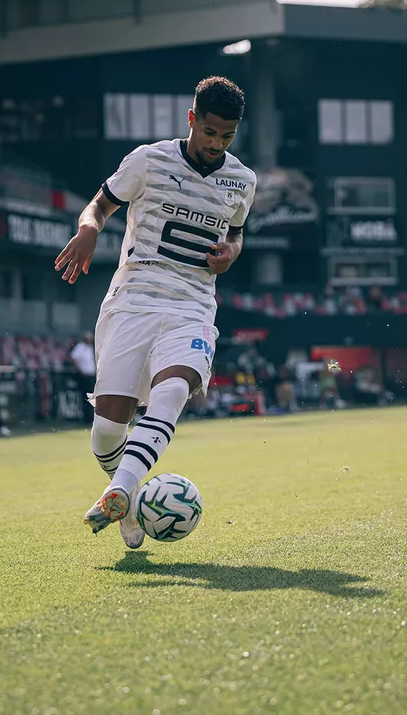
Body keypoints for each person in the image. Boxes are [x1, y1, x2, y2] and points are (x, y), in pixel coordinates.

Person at [55, 76, 256, 549]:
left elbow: (236, 232)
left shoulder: (242, 180)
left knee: (174, 388)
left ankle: (121, 489)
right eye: (209, 132)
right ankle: (130, 500)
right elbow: (99, 206)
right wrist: (89, 229)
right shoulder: (148, 160)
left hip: (192, 305)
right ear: (192, 119)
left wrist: (231, 253)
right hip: (133, 300)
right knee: (107, 431)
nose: (216, 144)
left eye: (227, 136)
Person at [70, 332, 96, 424]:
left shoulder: (90, 348)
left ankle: (91, 417)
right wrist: (80, 370)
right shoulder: (80, 347)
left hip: (92, 375)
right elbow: (73, 357)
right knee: (85, 397)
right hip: (84, 375)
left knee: (92, 396)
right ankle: (86, 418)